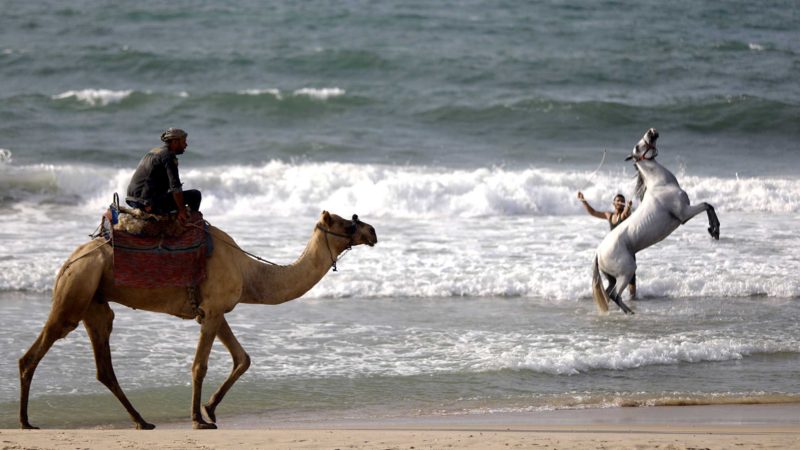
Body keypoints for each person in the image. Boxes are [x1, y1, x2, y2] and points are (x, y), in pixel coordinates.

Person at [126, 128, 201, 223]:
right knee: (195, 195)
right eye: (184, 142)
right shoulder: (168, 156)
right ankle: (188, 224)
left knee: (171, 197)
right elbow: (175, 187)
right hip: (146, 203)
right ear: (175, 142)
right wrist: (182, 210)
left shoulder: (155, 151)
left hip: (132, 199)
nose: (186, 145)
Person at [577, 191, 637, 298]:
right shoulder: (609, 215)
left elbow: (626, 213)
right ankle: (609, 297)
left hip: (625, 249)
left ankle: (633, 299)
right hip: (614, 250)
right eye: (618, 201)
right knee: (613, 280)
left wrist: (628, 207)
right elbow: (593, 212)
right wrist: (583, 201)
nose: (620, 202)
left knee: (632, 280)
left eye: (622, 201)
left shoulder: (623, 215)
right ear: (614, 203)